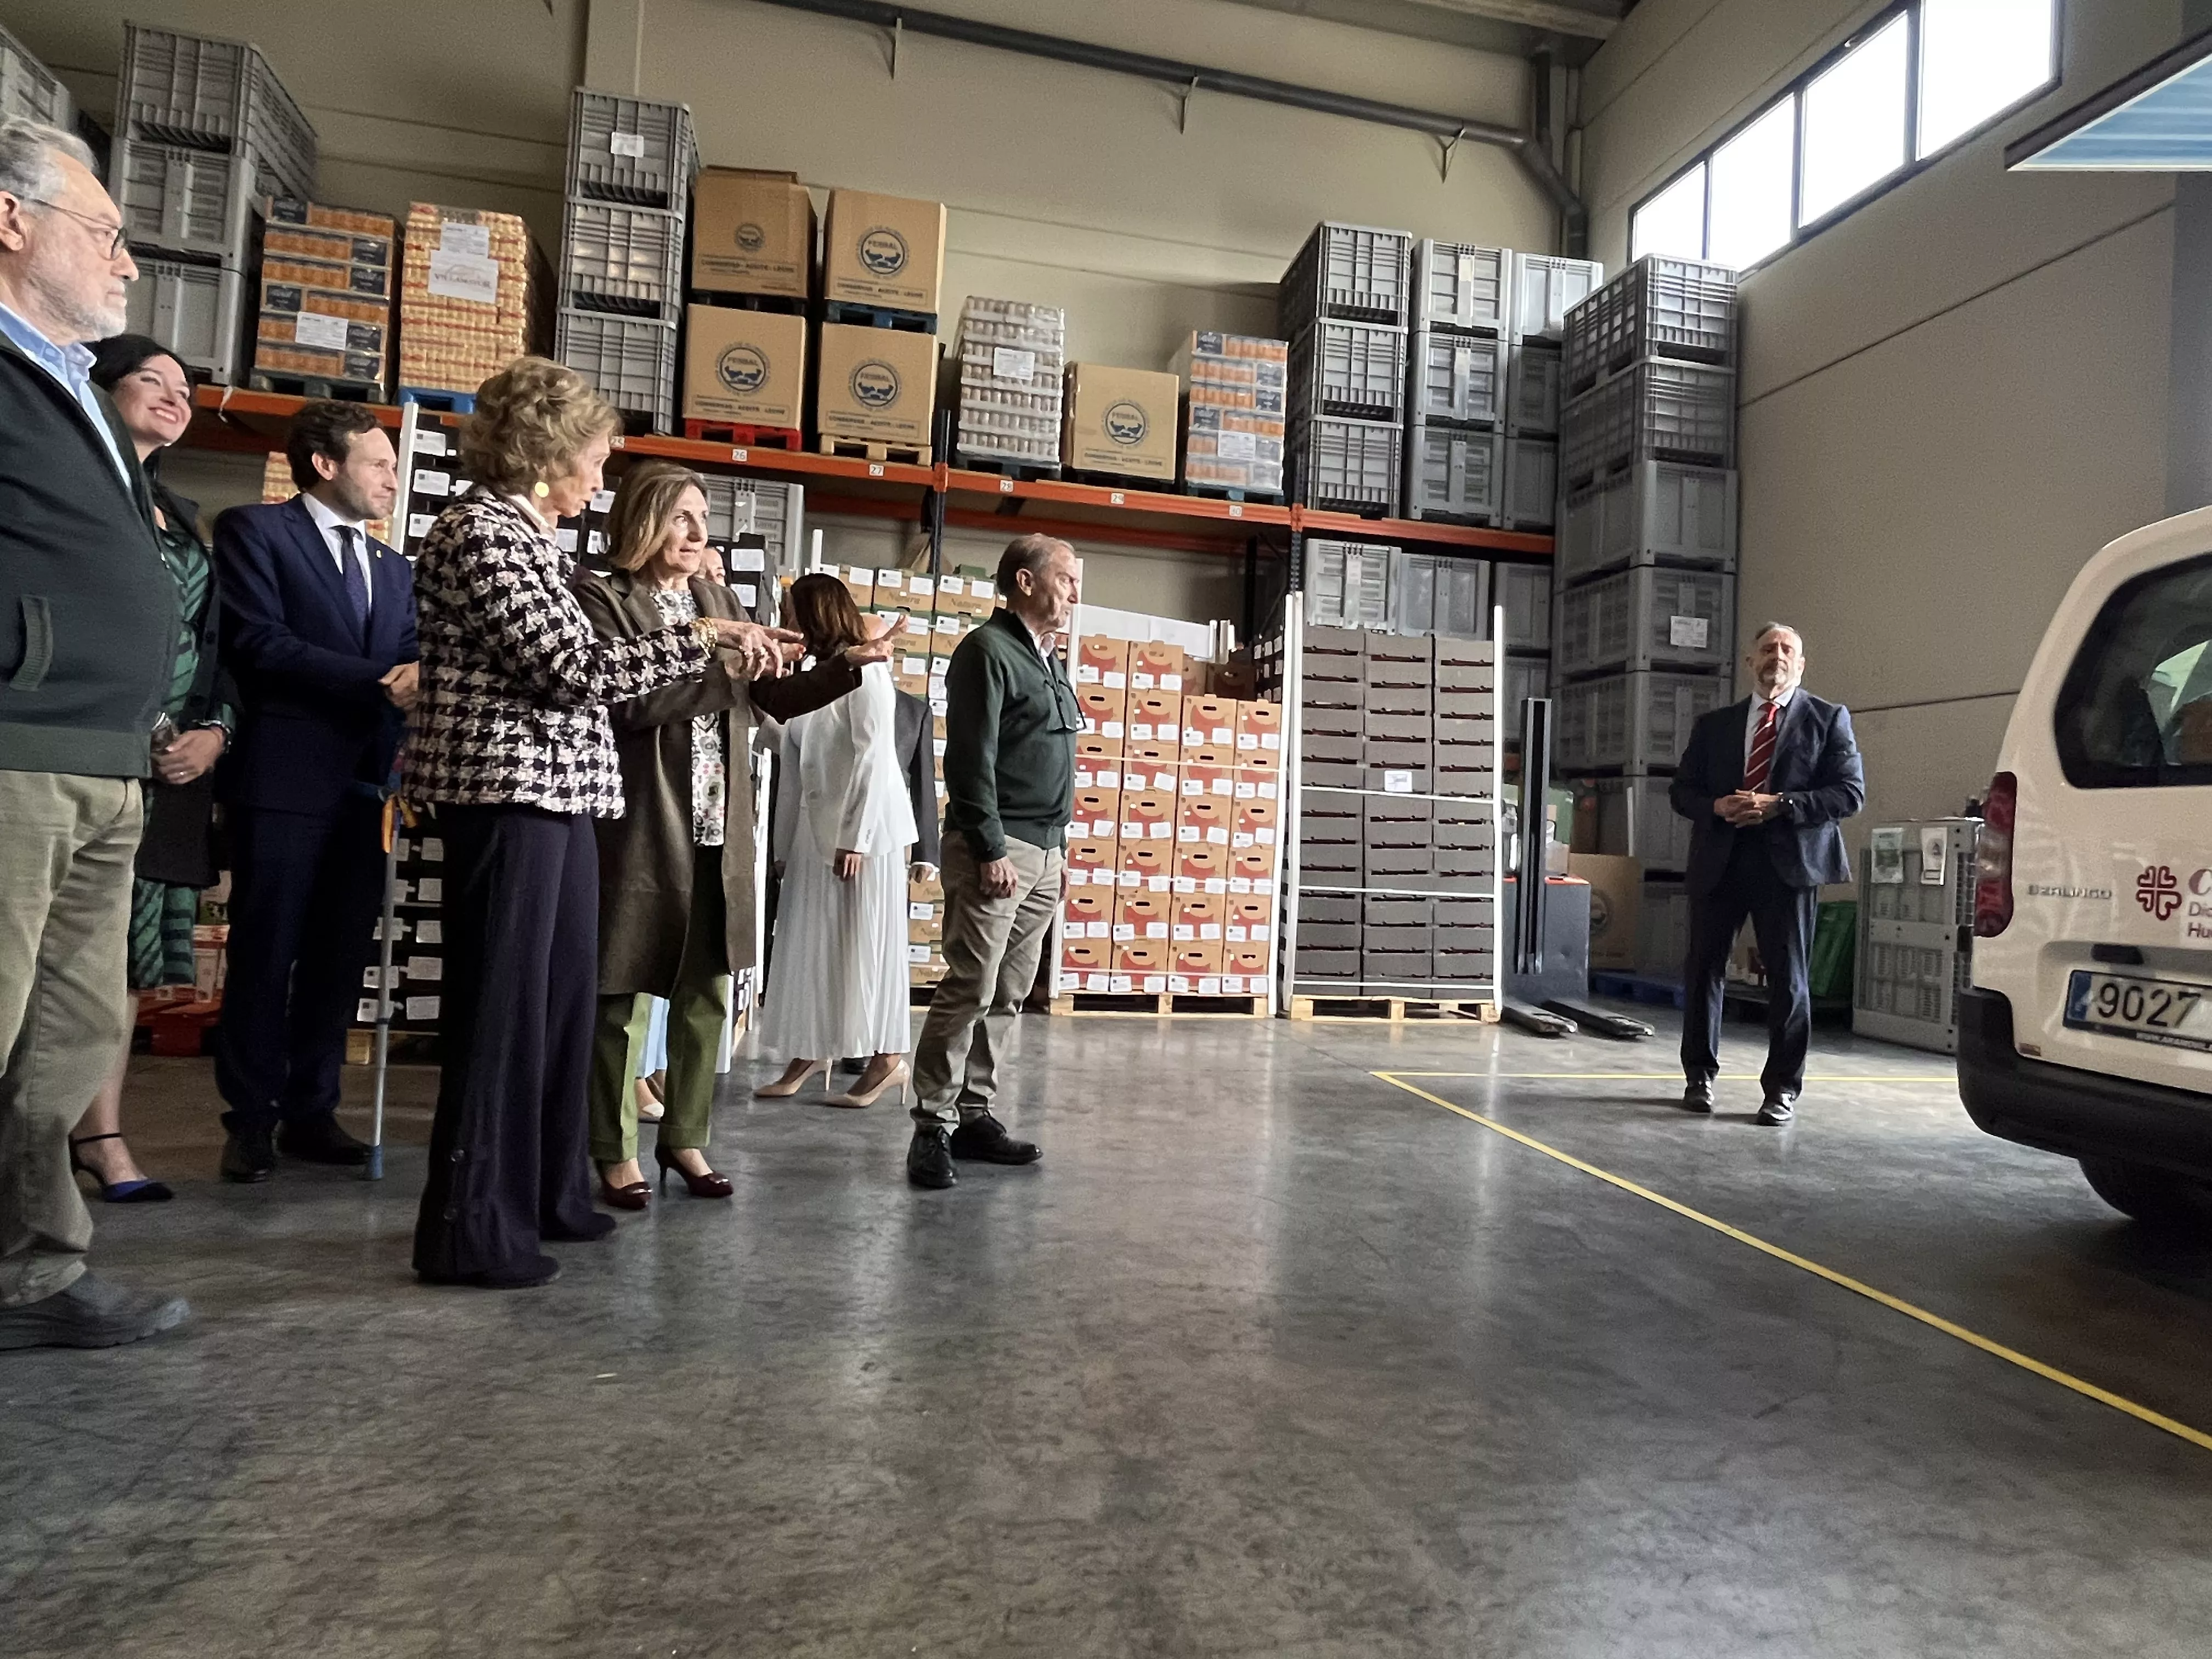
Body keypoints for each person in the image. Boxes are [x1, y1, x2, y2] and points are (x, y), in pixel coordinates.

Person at [404, 359, 811, 1289]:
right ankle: (472, 1228)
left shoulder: (533, 537)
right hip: (506, 796)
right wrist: (699, 639)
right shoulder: (479, 530)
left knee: (556, 1013)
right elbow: (567, 668)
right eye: (592, 458)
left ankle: (551, 1193)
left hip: (565, 801)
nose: (599, 477)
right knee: (503, 1023)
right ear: (545, 453)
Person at [574, 462, 888, 1207]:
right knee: (620, 991)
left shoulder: (718, 596)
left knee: (709, 987)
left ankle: (685, 1138)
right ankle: (614, 1151)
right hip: (646, 817)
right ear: (643, 521)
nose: (695, 533)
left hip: (725, 815)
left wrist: (844, 667)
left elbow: (767, 696)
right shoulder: (602, 598)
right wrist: (726, 672)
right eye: (679, 517)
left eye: (700, 518)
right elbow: (627, 704)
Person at [0, 116, 189, 1350]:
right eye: (107, 236)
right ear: (11, 222)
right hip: (18, 749)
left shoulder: (69, 386)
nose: (126, 266)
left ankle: (34, 1274)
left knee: (67, 1041)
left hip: (105, 759)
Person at [210, 400, 416, 1182]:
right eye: (379, 464)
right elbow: (260, 643)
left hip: (368, 788)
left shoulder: (394, 568)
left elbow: (408, 656)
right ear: (325, 465)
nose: (392, 479)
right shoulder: (256, 533)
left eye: (396, 467)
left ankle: (311, 1110)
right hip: (285, 778)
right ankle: (251, 1119)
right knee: (268, 950)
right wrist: (384, 682)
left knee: (338, 957)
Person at [69, 336, 236, 1204]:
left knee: (122, 967)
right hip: (74, 753)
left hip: (168, 775)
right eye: (153, 382)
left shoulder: (181, 512)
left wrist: (217, 729)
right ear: (99, 387)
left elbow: (217, 651)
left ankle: (102, 1134)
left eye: (186, 390)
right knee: (50, 958)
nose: (177, 398)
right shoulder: (72, 486)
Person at [904, 534, 1081, 1189]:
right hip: (999, 849)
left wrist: (1059, 853)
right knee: (971, 987)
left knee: (1009, 993)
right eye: (1066, 580)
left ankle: (975, 1113)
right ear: (1027, 583)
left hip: (1043, 851)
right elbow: (969, 759)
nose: (1074, 593)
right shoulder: (987, 651)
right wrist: (990, 846)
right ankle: (932, 1124)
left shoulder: (1048, 659)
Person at [1671, 622, 1865, 1124]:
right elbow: (1681, 791)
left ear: (1800, 665)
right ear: (1750, 661)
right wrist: (1717, 805)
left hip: (1789, 866)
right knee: (1703, 971)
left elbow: (1849, 793)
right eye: (1767, 649)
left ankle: (1781, 1089)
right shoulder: (1715, 725)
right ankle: (1699, 1077)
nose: (1776, 656)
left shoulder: (1828, 719)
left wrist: (1782, 804)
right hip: (1721, 860)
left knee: (1789, 980)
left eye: (1787, 650)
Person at [755, 573, 921, 1109]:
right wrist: (783, 845)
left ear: (814, 613)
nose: (786, 618)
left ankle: (888, 1058)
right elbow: (797, 755)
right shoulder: (815, 672)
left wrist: (858, 839)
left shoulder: (866, 669)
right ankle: (811, 1049)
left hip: (863, 830)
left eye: (791, 609)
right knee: (810, 941)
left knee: (868, 945)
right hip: (814, 828)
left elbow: (875, 757)